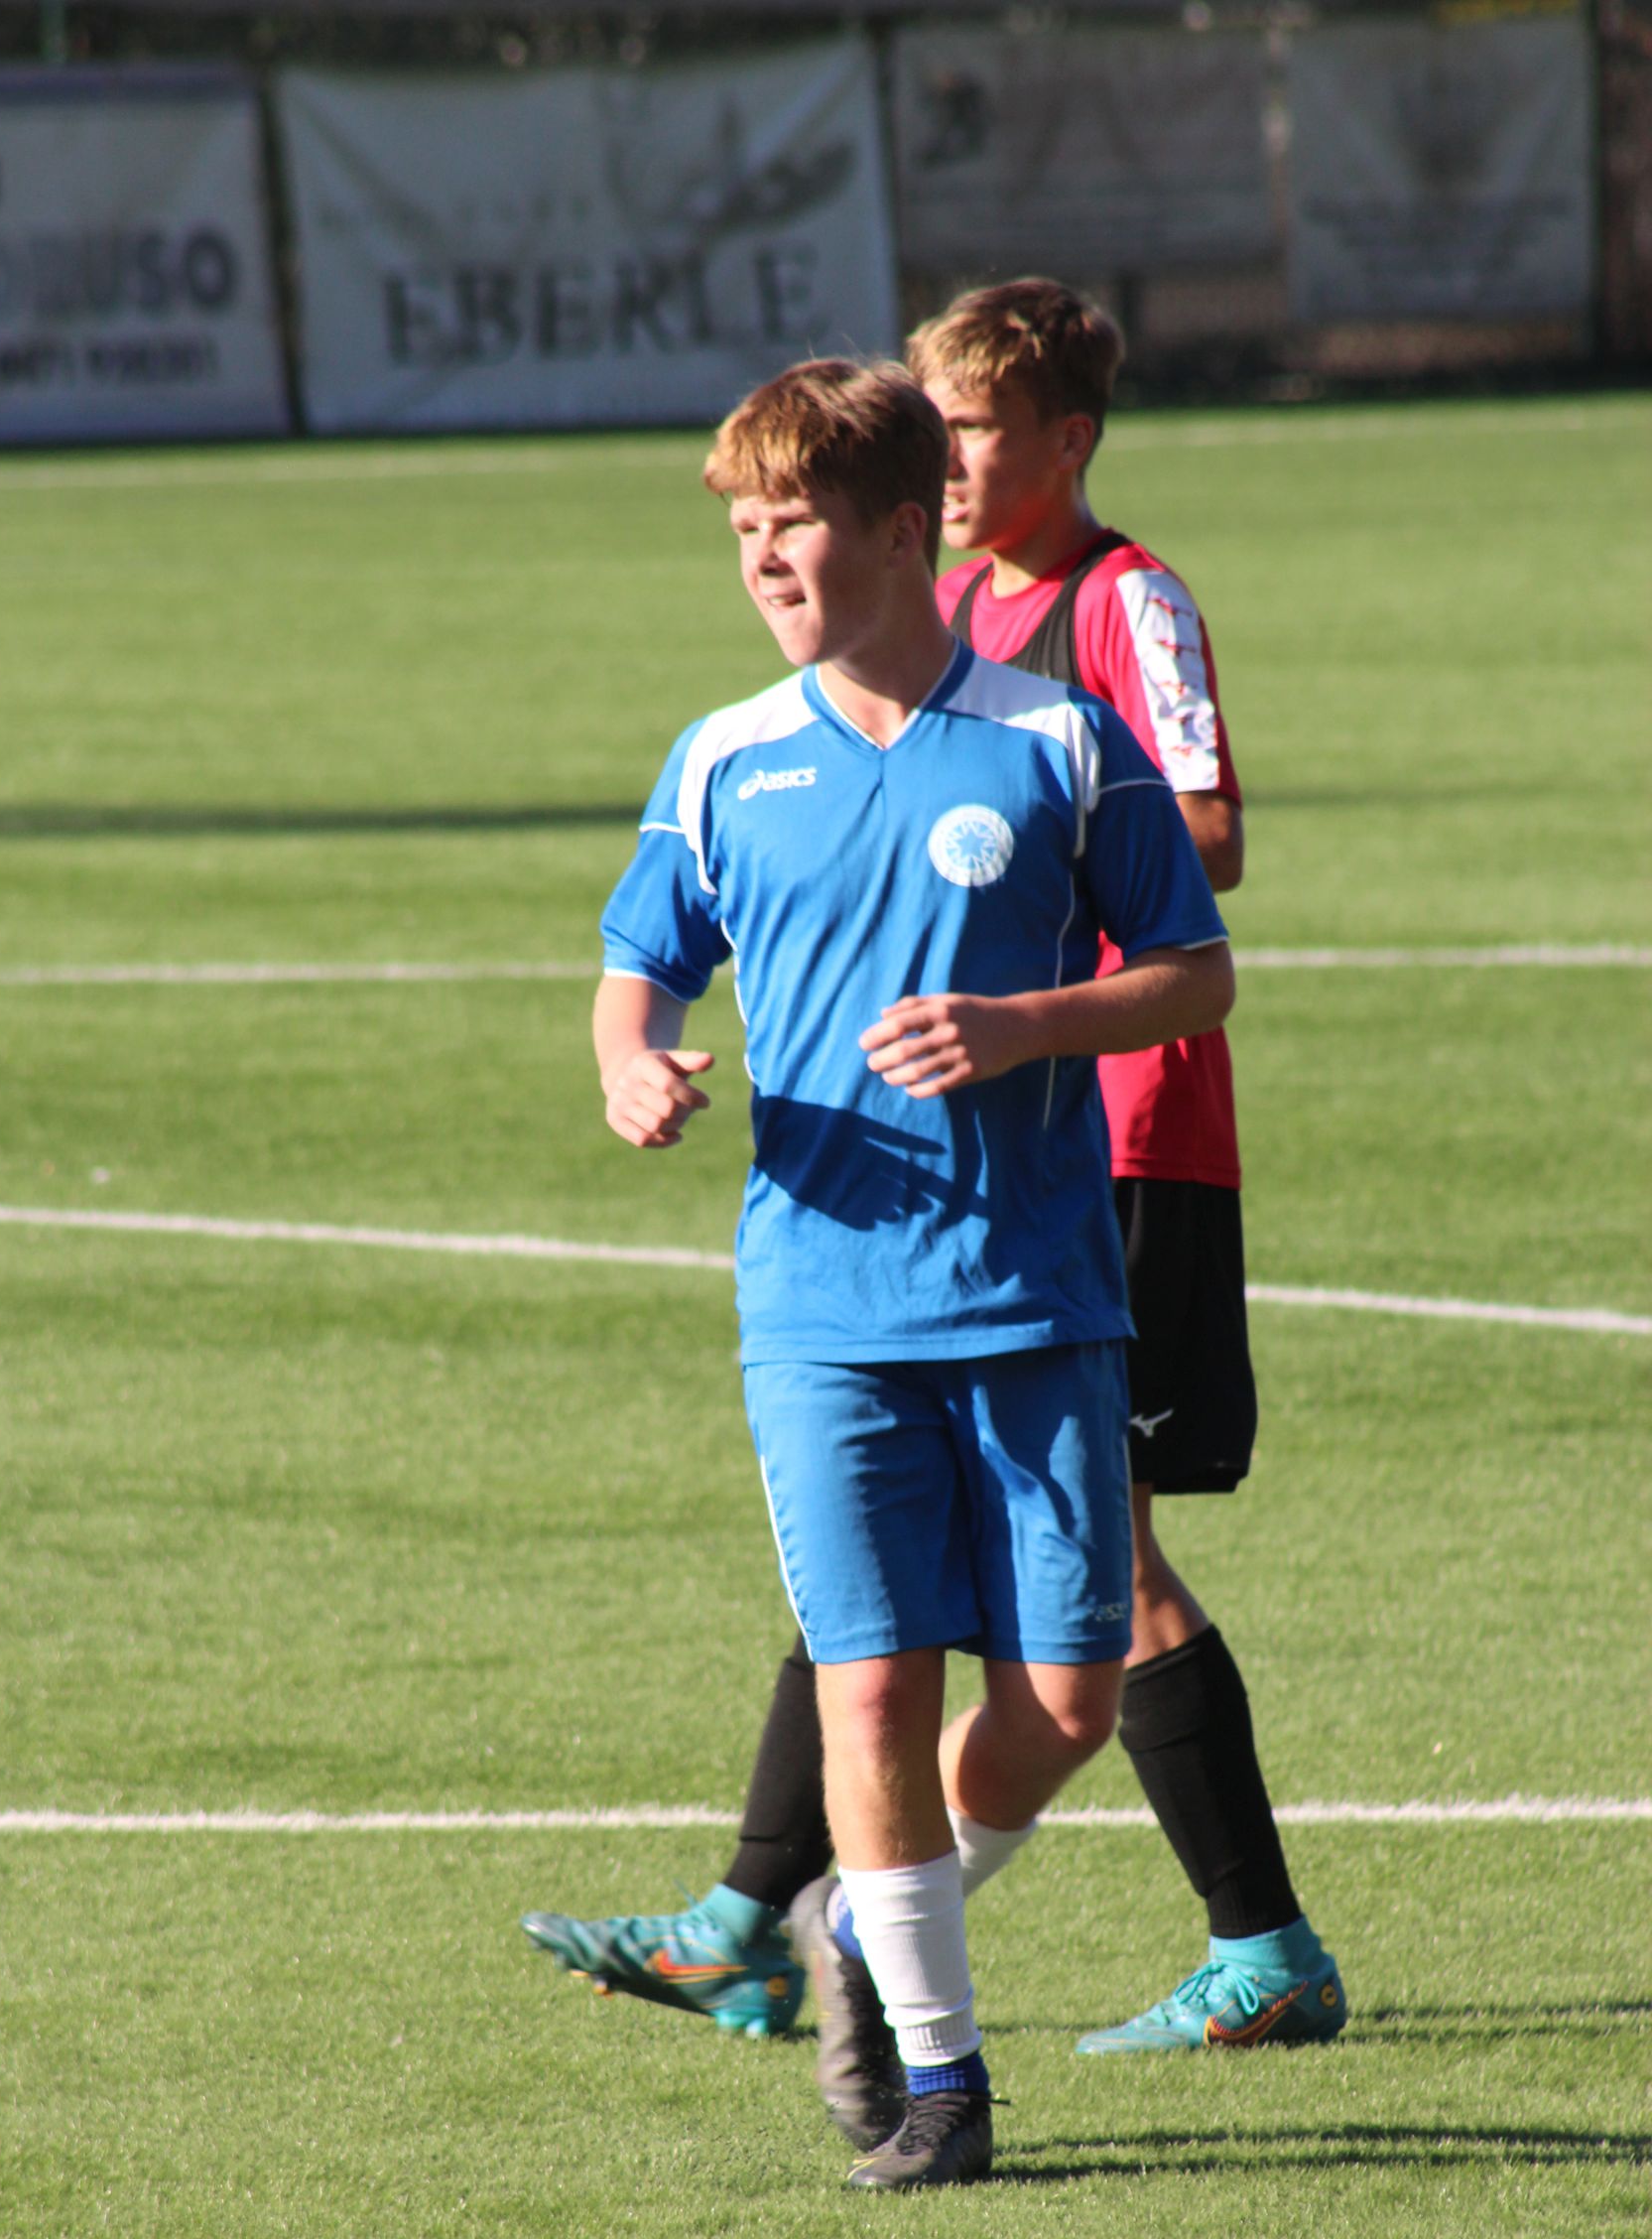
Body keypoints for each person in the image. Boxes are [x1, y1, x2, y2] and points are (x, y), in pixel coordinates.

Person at [526, 280, 1346, 2097]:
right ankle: (830, 1942)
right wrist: (634, 1057)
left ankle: (1207, 1935)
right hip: (849, 1258)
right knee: (880, 1632)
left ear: (1057, 441)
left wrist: (1028, 988)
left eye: (982, 424)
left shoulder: (1105, 629)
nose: (963, 457)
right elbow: (650, 954)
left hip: (1102, 1166)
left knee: (1086, 1610)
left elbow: (1203, 858)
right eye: (944, 423)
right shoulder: (788, 713)